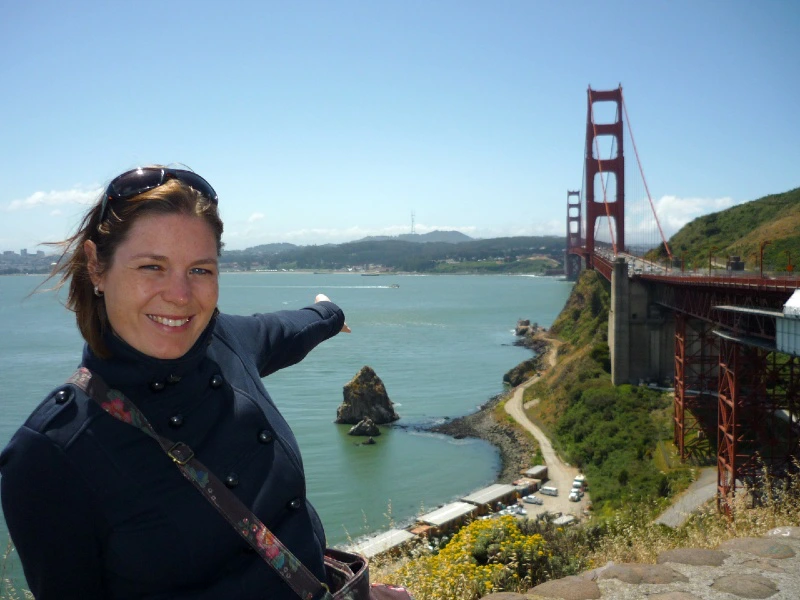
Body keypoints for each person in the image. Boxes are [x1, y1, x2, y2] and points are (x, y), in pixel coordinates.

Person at [0, 166, 350, 599]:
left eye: (200, 270)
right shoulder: (50, 454)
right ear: (96, 267)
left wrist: (331, 313)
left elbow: (296, 328)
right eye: (152, 266)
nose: (181, 296)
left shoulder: (227, 342)